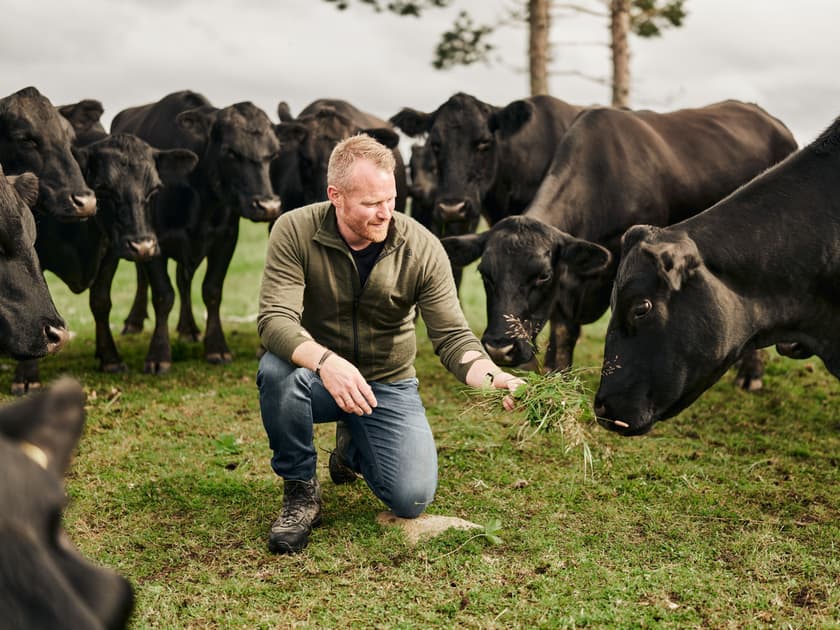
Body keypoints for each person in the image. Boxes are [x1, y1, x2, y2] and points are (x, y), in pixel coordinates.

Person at [256, 134, 524, 555]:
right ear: (336, 196)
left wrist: (493, 376)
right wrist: (326, 362)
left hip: (387, 384)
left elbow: (453, 337)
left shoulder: (421, 247)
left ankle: (353, 447)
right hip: (318, 377)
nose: (385, 213)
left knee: (411, 498)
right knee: (276, 371)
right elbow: (275, 320)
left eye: (391, 199)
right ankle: (300, 492)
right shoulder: (295, 229)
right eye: (370, 203)